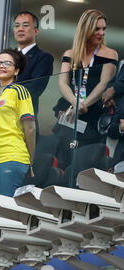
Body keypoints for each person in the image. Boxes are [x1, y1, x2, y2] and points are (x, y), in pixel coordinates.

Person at [54, 9, 118, 169]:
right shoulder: (70, 53)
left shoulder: (110, 54)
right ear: (85, 29)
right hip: (70, 109)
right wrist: (75, 103)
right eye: (97, 29)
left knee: (84, 163)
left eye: (104, 29)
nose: (101, 33)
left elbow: (104, 83)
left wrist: (83, 105)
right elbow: (63, 82)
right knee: (63, 158)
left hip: (92, 113)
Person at [0, 49, 36, 197]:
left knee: (5, 208)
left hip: (11, 155)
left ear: (16, 70)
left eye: (7, 63)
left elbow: (29, 128)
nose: (1, 66)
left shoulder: (19, 91)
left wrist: (31, 160)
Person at [0, 11, 53, 138]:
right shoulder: (6, 56)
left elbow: (34, 89)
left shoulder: (43, 57)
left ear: (36, 31)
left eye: (25, 25)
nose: (20, 29)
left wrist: (3, 99)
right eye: (17, 26)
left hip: (23, 123)